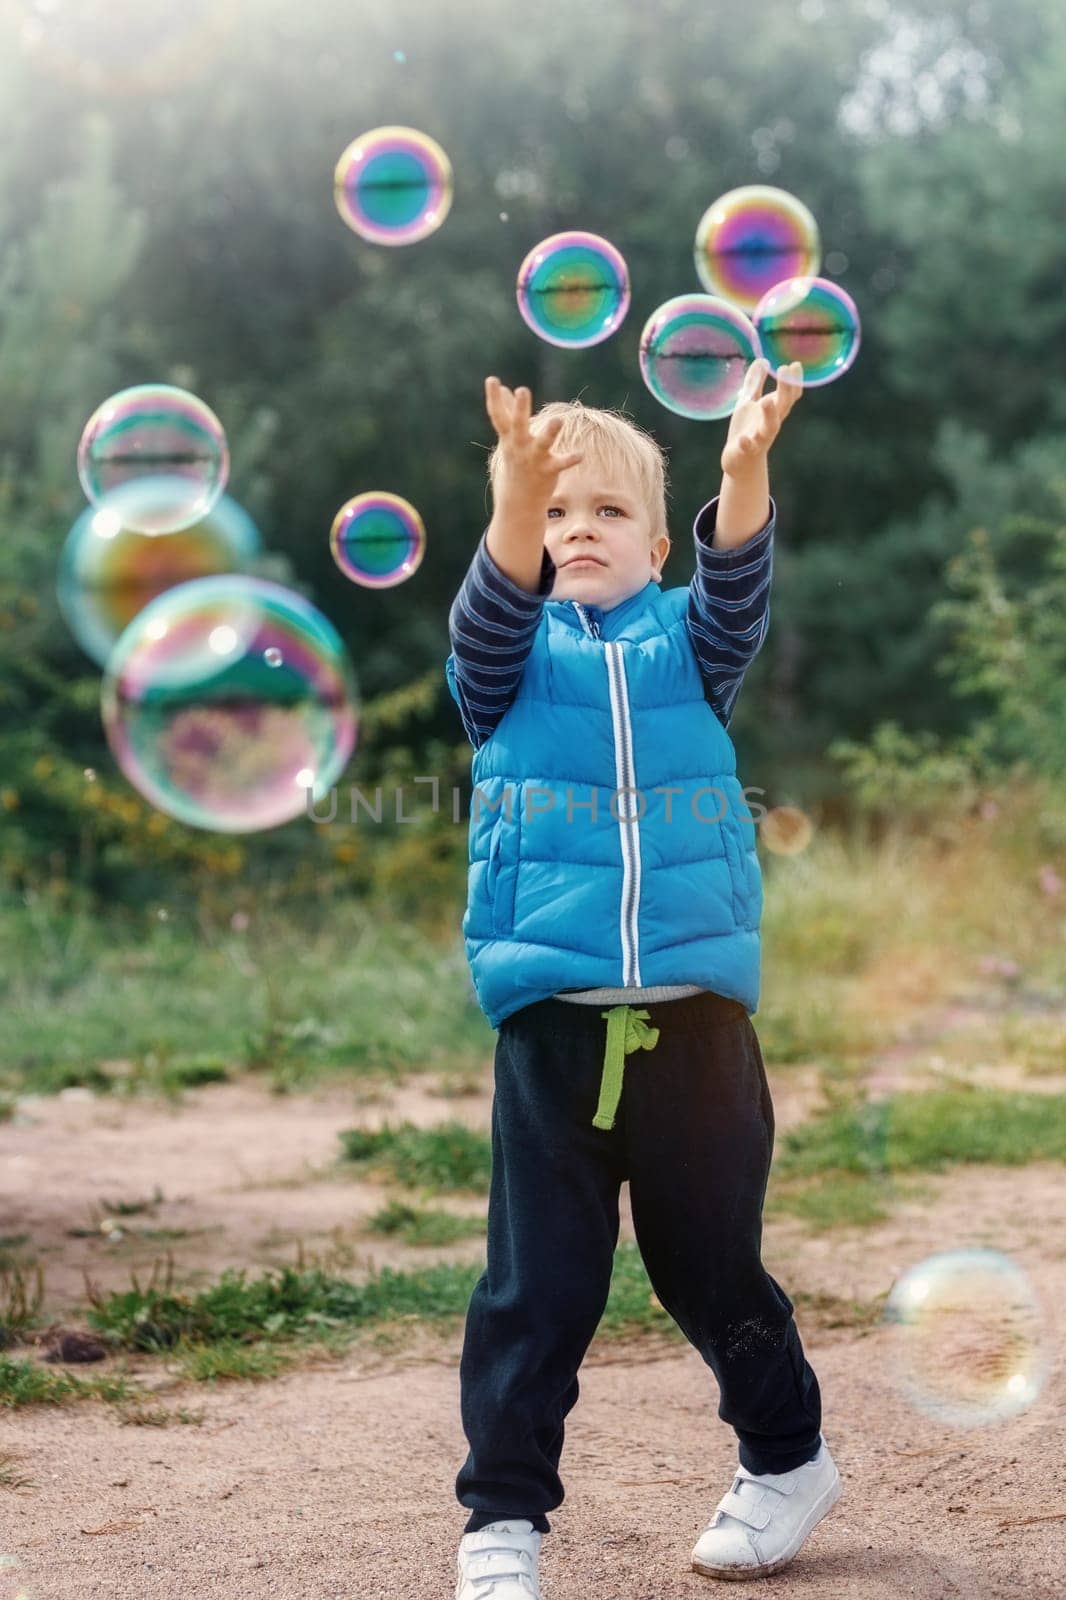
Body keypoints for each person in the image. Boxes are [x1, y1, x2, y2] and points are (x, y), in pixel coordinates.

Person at [444, 361, 842, 1597]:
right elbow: (492, 605)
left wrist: (740, 470)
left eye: (607, 511)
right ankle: (501, 1523)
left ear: (657, 542)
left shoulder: (689, 650)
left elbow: (736, 583)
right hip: (553, 1034)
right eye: (557, 513)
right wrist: (517, 490)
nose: (577, 532)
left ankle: (786, 1462)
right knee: (534, 1292)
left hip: (699, 1030)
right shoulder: (503, 670)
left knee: (713, 1273)